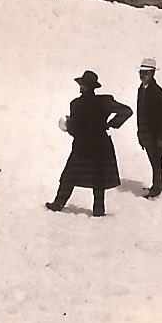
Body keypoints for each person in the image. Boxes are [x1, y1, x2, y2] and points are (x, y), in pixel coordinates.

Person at [46, 70, 132, 218]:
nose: (80, 86)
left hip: (82, 145)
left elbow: (75, 128)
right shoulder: (105, 101)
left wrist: (68, 128)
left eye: (81, 84)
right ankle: (99, 210)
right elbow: (126, 111)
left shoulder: (76, 104)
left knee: (69, 175)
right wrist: (111, 124)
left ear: (84, 86)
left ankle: (58, 203)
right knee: (99, 178)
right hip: (101, 144)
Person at [135, 57, 162, 198]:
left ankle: (157, 187)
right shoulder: (141, 90)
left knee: (156, 161)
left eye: (145, 73)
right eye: (141, 72)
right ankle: (159, 184)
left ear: (152, 74)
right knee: (154, 161)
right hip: (147, 135)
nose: (142, 75)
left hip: (157, 135)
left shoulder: (158, 92)